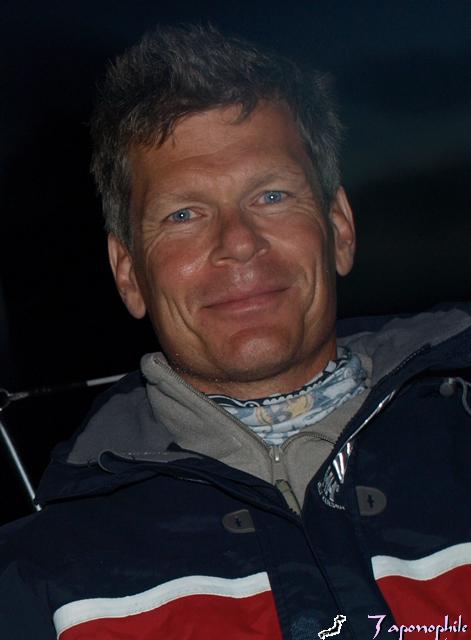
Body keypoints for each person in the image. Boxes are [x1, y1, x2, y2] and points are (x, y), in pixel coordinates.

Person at [1, 23, 470, 640]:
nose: (238, 243)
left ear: (339, 227)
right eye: (184, 214)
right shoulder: (42, 582)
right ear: (129, 273)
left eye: (271, 195)